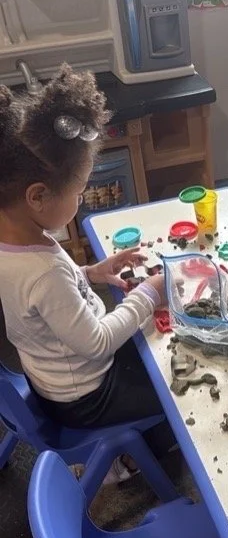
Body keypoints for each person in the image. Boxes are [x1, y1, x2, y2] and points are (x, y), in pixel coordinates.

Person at [0, 64, 172, 482]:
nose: (81, 199)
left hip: (54, 378)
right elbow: (95, 343)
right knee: (176, 393)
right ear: (38, 197)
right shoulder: (42, 273)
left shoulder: (17, 243)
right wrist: (148, 294)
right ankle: (128, 462)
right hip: (87, 395)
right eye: (78, 192)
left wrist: (91, 272)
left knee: (153, 348)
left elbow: (41, 296)